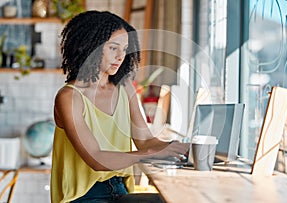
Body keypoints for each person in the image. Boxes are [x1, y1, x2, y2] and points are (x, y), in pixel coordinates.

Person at [50, 10, 189, 203]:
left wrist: (181, 148)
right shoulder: (69, 97)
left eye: (124, 49)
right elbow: (96, 159)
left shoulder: (125, 88)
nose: (120, 56)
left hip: (119, 189)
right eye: (113, 48)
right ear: (90, 46)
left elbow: (146, 141)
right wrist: (150, 154)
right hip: (83, 197)